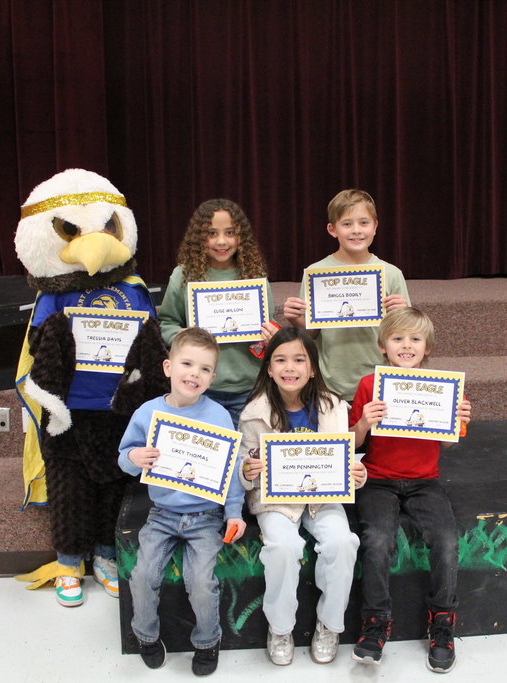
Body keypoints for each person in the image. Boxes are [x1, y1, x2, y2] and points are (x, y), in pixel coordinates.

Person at [348, 307, 472, 673]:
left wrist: (457, 423)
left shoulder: (442, 387)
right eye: (398, 338)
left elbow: (447, 446)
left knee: (446, 539)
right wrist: (363, 423)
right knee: (376, 540)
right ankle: (375, 622)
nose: (406, 345)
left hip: (424, 481)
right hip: (378, 479)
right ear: (382, 346)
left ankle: (443, 622)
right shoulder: (369, 385)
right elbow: (353, 443)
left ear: (427, 347)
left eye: (415, 339)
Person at [118, 327, 247, 677]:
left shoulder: (219, 416)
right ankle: (146, 636)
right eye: (187, 363)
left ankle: (207, 643)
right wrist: (135, 457)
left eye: (205, 369)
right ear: (168, 367)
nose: (194, 373)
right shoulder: (147, 414)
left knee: (202, 582)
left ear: (213, 377)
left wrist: (234, 513)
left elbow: (232, 470)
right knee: (143, 574)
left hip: (206, 516)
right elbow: (123, 458)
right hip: (162, 514)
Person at [239, 327, 368, 666]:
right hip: (275, 500)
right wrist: (248, 472)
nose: (289, 367)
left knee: (343, 543)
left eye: (299, 359)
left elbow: (348, 460)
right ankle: (280, 628)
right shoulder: (253, 413)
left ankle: (329, 624)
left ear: (312, 367)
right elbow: (243, 466)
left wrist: (357, 473)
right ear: (268, 368)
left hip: (321, 498)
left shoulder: (335, 407)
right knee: (284, 547)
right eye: (280, 360)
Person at [158, 199, 279, 426]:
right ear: (198, 237)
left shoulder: (254, 275)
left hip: (248, 388)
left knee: (244, 458)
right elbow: (165, 323)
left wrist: (272, 337)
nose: (221, 241)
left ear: (241, 236)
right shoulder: (184, 275)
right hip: (198, 389)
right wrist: (180, 335)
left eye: (230, 232)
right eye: (212, 233)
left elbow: (268, 324)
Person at [282, 189, 410, 401]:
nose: (356, 231)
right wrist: (297, 321)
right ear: (332, 229)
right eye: (347, 224)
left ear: (375, 227)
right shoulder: (316, 273)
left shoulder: (392, 274)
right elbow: (312, 334)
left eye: (364, 223)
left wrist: (403, 314)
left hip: (380, 378)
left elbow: (406, 335)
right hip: (333, 382)